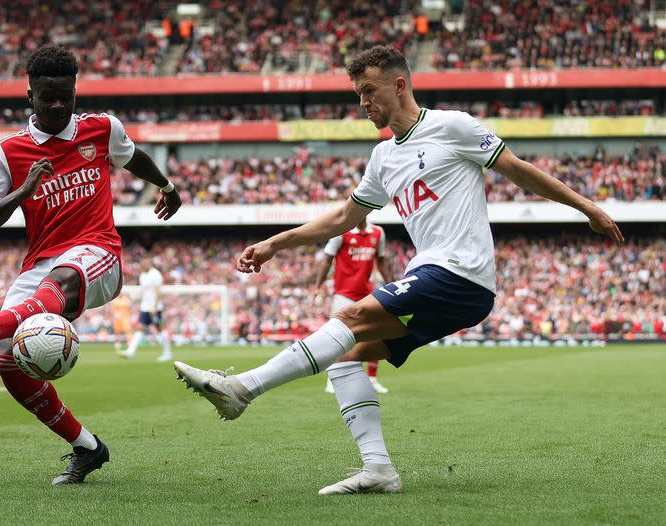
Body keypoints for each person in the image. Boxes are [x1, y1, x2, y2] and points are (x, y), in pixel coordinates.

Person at [173, 45, 623, 495]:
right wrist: (275, 242)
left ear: (400, 85)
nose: (362, 103)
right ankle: (379, 469)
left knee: (346, 319)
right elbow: (342, 219)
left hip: (460, 272)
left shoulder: (452, 126)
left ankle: (241, 390)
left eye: (369, 91)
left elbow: (517, 169)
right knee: (345, 358)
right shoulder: (383, 157)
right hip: (441, 278)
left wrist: (587, 208)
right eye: (357, 94)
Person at [0, 45, 182, 485]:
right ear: (29, 96)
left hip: (98, 253)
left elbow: (133, 157)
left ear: (75, 92)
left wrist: (167, 185)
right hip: (40, 263)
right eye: (48, 97)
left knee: (63, 276)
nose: (58, 105)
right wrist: (25, 189)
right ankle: (87, 447)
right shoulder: (8, 151)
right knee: (6, 360)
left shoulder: (102, 129)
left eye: (66, 97)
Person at [312, 218, 392, 394]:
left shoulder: (378, 233)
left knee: (374, 334)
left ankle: (372, 379)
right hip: (343, 293)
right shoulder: (341, 232)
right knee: (337, 337)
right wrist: (318, 286)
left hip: (367, 293)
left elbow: (381, 261)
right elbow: (327, 260)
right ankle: (332, 379)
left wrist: (391, 284)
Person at [120, 257, 172, 361]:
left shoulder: (156, 274)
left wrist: (155, 306)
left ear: (149, 263)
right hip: (145, 307)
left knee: (159, 329)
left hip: (155, 308)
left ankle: (167, 353)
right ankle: (130, 351)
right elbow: (144, 292)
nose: (142, 265)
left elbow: (158, 291)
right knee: (140, 328)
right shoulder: (143, 275)